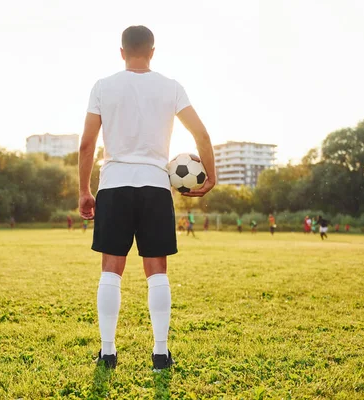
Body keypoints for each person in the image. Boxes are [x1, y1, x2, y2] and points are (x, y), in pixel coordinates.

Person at [78, 26, 215, 370]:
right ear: (153, 51)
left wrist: (84, 190)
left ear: (121, 52)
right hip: (155, 187)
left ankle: (108, 352)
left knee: (111, 270)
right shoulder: (171, 87)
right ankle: (159, 352)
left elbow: (86, 145)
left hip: (114, 185)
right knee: (157, 272)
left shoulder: (102, 86)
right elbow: (201, 133)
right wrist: (211, 176)